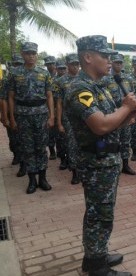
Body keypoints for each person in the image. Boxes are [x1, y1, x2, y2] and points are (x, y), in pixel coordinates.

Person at [66, 35, 136, 276]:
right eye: (104, 56)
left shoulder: (99, 87)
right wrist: (126, 108)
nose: (110, 61)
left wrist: (128, 115)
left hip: (107, 161)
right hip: (96, 163)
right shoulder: (81, 89)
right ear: (88, 57)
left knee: (103, 211)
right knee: (99, 213)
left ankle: (97, 254)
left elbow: (113, 122)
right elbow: (100, 126)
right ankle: (97, 267)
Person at [7, 42, 54, 194]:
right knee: (28, 148)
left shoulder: (44, 72)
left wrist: (51, 116)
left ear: (37, 54)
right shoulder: (14, 73)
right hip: (23, 114)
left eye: (33, 53)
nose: (31, 56)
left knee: (41, 147)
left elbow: (49, 96)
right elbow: (11, 97)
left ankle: (43, 178)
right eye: (28, 53)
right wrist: (12, 119)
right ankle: (32, 180)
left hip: (41, 114)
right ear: (22, 54)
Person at [104, 54, 136, 175]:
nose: (118, 65)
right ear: (111, 63)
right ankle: (111, 165)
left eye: (120, 63)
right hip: (111, 114)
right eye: (116, 62)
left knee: (125, 140)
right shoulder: (105, 79)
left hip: (126, 113)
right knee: (111, 141)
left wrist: (132, 116)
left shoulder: (127, 79)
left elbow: (132, 96)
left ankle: (126, 165)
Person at [55, 53, 81, 184]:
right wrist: (59, 122)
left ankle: (84, 170)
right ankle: (75, 172)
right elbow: (58, 103)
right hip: (68, 118)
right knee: (71, 145)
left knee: (85, 143)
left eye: (77, 64)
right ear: (67, 65)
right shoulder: (61, 81)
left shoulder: (85, 78)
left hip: (84, 116)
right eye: (73, 64)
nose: (75, 67)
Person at [44, 55, 58, 160]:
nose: (50, 66)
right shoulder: (44, 75)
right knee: (49, 131)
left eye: (52, 63)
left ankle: (62, 151)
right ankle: (52, 151)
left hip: (60, 106)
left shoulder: (61, 75)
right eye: (48, 64)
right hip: (47, 107)